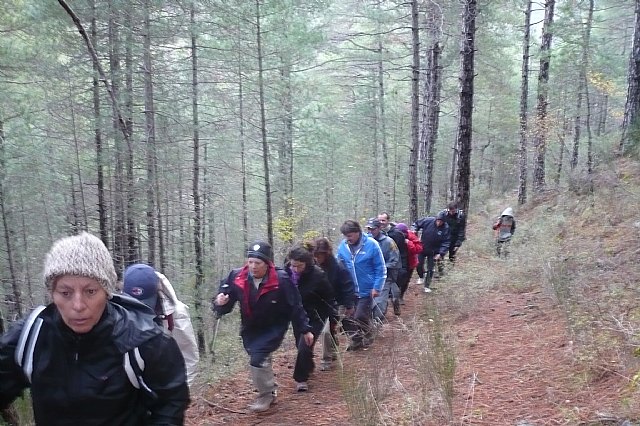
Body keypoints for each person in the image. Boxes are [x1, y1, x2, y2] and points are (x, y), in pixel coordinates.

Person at [0, 232, 189, 424]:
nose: (78, 305)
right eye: (65, 293)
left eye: (90, 291)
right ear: (52, 294)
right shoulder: (30, 338)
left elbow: (170, 404)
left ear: (106, 292)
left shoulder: (143, 341)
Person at [212, 241, 314, 412]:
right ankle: (268, 385)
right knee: (257, 356)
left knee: (257, 359)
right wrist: (219, 302)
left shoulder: (281, 279)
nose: (253, 266)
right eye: (250, 261)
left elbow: (295, 306)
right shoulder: (237, 276)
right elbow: (224, 301)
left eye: (258, 263)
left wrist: (305, 329)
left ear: (267, 263)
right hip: (250, 327)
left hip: (274, 326)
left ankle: (266, 394)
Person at [123, 263, 200, 387]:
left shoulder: (175, 314)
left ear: (157, 293)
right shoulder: (115, 312)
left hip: (164, 382)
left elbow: (188, 357)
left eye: (145, 304)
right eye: (134, 303)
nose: (140, 309)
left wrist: (178, 390)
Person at [285, 246, 336, 391]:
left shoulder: (318, 275)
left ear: (306, 264)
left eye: (299, 266)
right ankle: (308, 365)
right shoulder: (285, 273)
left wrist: (333, 316)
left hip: (315, 315)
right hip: (297, 315)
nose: (295, 269)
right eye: (293, 265)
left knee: (305, 346)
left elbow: (329, 297)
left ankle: (301, 379)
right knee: (300, 345)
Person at [336, 220, 386, 351]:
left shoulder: (372, 244)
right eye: (345, 236)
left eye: (350, 235)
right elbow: (338, 266)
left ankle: (369, 332)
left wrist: (377, 287)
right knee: (346, 317)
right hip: (350, 290)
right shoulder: (343, 247)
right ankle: (356, 339)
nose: (348, 238)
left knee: (360, 316)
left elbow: (380, 268)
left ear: (358, 232)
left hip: (367, 289)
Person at [312, 237, 356, 371]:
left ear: (326, 253)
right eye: (315, 255)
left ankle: (326, 359)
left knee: (326, 331)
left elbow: (348, 286)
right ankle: (334, 350)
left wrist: (349, 305)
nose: (317, 258)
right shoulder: (312, 266)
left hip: (337, 304)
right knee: (329, 330)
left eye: (320, 255)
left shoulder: (338, 267)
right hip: (320, 304)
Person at [366, 218, 401, 319]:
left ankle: (377, 320)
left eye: (373, 229)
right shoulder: (365, 242)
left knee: (380, 302)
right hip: (368, 277)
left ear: (379, 228)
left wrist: (381, 268)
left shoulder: (389, 242)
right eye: (369, 229)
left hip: (385, 277)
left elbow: (395, 260)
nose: (370, 231)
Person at [412, 211, 451, 293]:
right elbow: (416, 224)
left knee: (430, 269)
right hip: (422, 248)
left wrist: (440, 253)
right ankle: (421, 276)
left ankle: (427, 286)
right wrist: (414, 230)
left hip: (434, 251)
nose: (439, 223)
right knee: (418, 264)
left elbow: (446, 242)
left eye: (441, 221)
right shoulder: (428, 220)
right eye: (438, 220)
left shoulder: (446, 228)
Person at [378, 212, 409, 305]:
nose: (381, 222)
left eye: (383, 220)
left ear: (388, 221)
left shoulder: (397, 234)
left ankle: (395, 300)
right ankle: (385, 303)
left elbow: (402, 251)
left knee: (393, 284)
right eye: (379, 220)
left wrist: (403, 267)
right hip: (381, 264)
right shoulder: (376, 233)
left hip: (395, 264)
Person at [394, 223, 422, 302]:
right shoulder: (394, 236)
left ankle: (401, 295)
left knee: (405, 280)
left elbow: (419, 249)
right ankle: (394, 295)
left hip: (409, 262)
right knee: (396, 279)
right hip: (397, 261)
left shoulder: (411, 236)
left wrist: (408, 243)